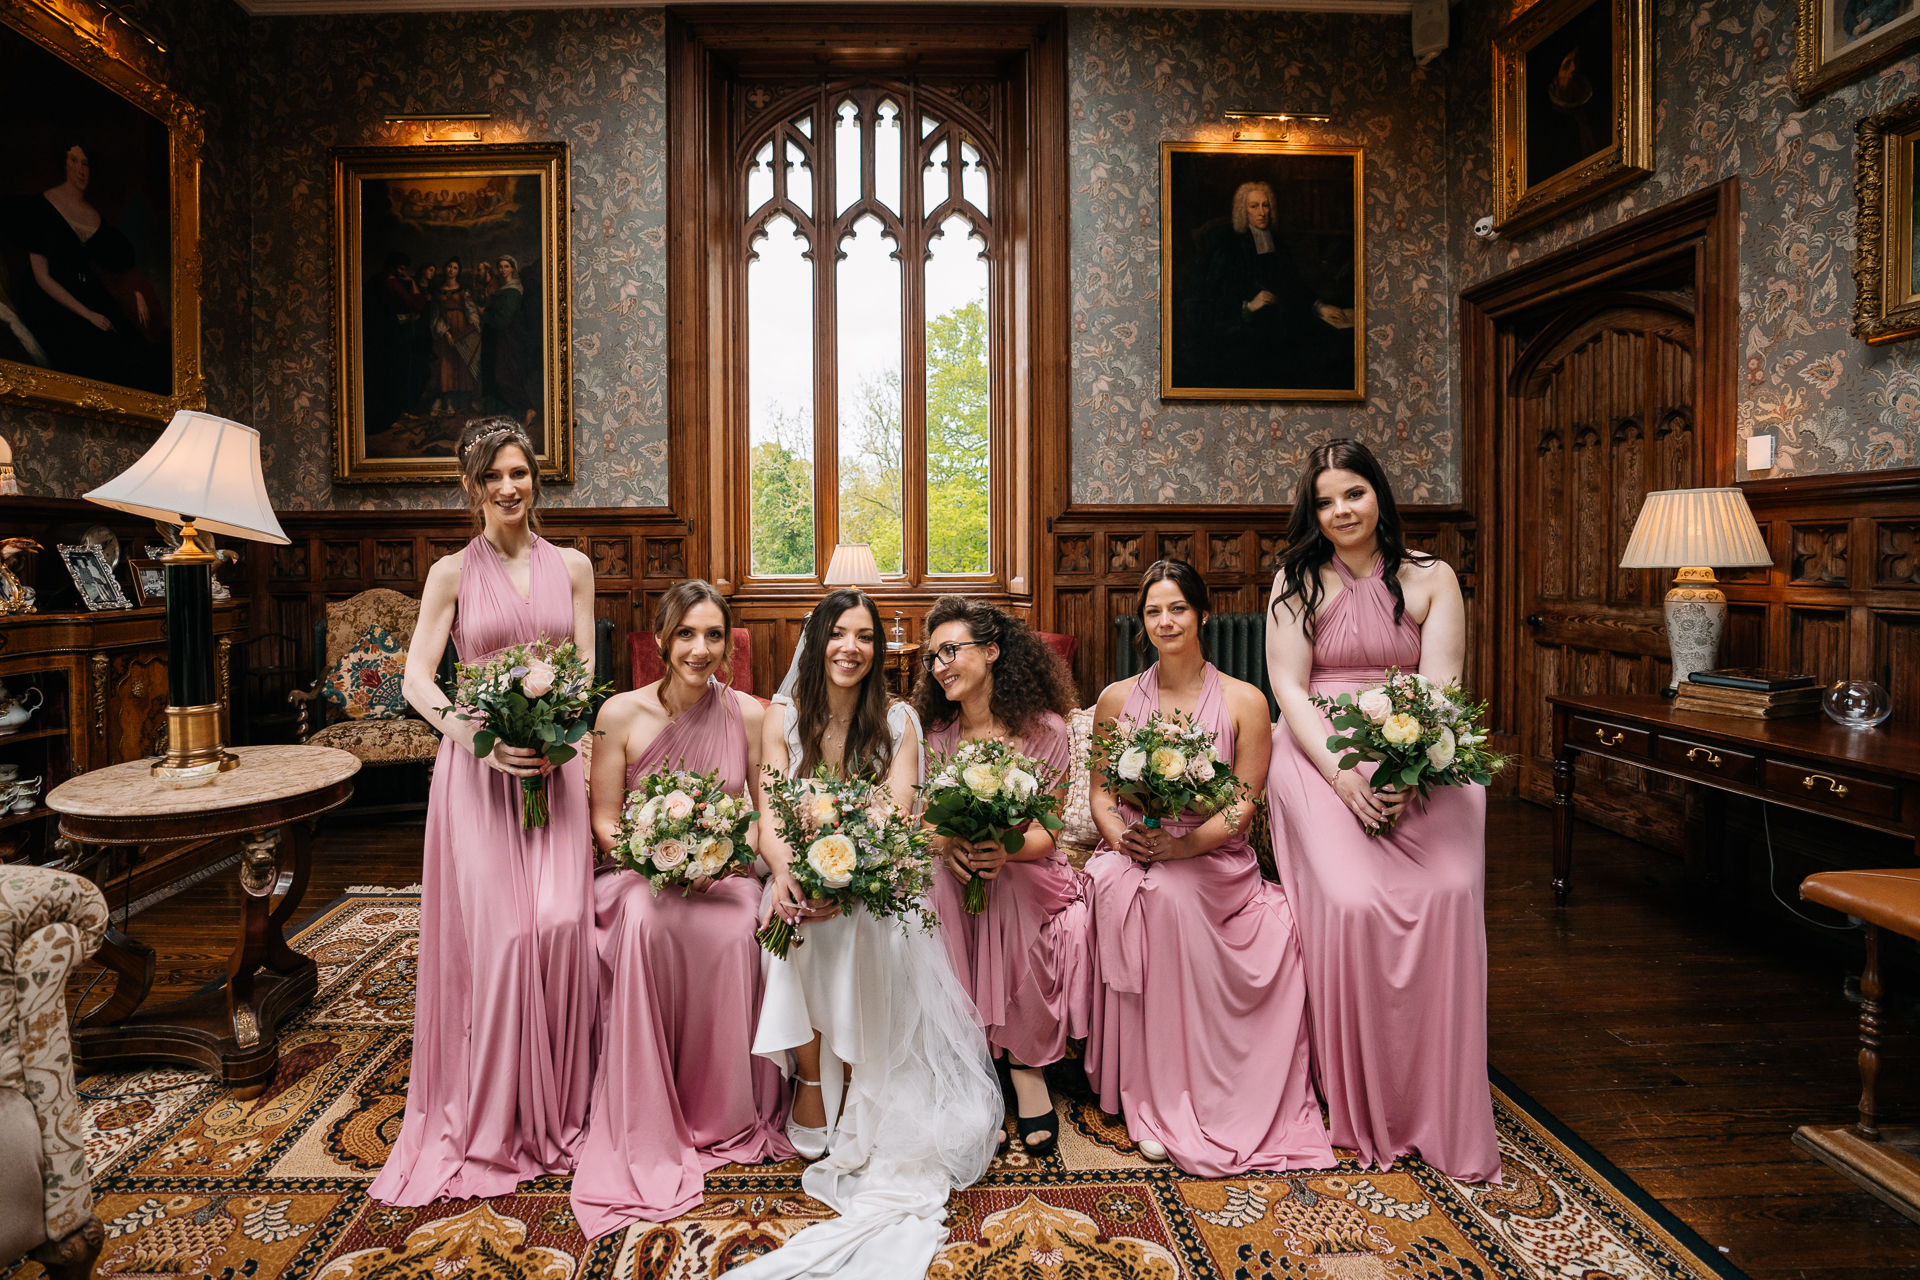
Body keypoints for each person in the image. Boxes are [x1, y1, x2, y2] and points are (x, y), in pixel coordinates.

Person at [735, 588, 1001, 1280]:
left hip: (875, 876)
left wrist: (842, 877)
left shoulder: (901, 719)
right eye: (837, 633)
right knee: (792, 923)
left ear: (876, 649)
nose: (850, 647)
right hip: (800, 868)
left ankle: (856, 1077)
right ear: (817, 639)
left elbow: (897, 812)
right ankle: (815, 1078)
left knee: (856, 926)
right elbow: (767, 813)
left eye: (863, 636)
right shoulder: (781, 716)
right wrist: (792, 876)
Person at [368, 417, 599, 1205]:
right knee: (505, 938)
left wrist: (562, 732)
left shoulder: (574, 567)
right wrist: (476, 738)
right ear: (471, 488)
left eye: (520, 474)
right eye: (493, 477)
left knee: (565, 924)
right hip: (479, 774)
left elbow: (586, 670)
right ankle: (496, 1110)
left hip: (554, 767)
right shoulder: (448, 574)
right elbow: (417, 681)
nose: (509, 488)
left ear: (535, 481)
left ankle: (564, 1104)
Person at [1264, 438, 1501, 1183]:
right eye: (1326, 500)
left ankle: (1441, 1096)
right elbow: (1291, 692)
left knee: (1449, 892)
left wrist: (1402, 764)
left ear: (1379, 496)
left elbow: (1440, 689)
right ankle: (1360, 1097)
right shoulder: (1295, 580)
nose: (1341, 511)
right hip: (1318, 753)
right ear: (1314, 510)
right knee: (1353, 899)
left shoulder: (1433, 578)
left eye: (1354, 494)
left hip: (1419, 752)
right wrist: (1345, 777)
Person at [1083, 559, 1333, 1177]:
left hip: (1213, 855)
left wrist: (1183, 848)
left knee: (1170, 893)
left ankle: (1197, 1093)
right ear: (1142, 622)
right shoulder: (1116, 701)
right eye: (1153, 611)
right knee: (1134, 890)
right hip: (1136, 847)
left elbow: (1243, 803)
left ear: (1201, 616)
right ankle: (1153, 1090)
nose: (1165, 621)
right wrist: (1122, 839)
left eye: (1177, 609)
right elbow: (1098, 794)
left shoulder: (1246, 701)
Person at [569, 581, 793, 1237]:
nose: (701, 649)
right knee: (647, 920)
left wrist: (728, 856)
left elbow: (761, 812)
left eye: (714, 635)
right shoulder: (619, 713)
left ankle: (723, 1112)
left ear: (728, 643)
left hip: (723, 878)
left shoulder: (748, 714)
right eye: (688, 634)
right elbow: (605, 820)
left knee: (738, 929)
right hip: (641, 878)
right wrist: (657, 862)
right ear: (662, 640)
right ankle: (647, 1109)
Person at [914, 596, 1089, 1158]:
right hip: (957, 862)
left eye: (951, 650)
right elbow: (920, 820)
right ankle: (966, 1067)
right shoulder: (932, 733)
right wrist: (947, 844)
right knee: (939, 883)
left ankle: (1024, 1064)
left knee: (1005, 886)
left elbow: (1048, 832)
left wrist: (1002, 851)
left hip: (1027, 869)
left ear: (991, 651)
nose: (940, 665)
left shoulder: (1046, 730)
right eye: (931, 657)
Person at [2, 144, 167, 390]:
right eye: (74, 160)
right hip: (49, 298)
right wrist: (88, 314)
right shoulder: (41, 206)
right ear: (64, 164)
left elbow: (113, 265)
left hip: (85, 289)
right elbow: (42, 278)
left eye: (86, 163)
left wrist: (135, 292)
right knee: (92, 352)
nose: (81, 170)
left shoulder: (93, 216)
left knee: (136, 352)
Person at [1193, 180, 1352, 391]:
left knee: (1334, 343)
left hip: (1284, 319)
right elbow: (1212, 298)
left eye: (1265, 205)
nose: (1262, 212)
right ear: (1244, 211)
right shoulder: (1229, 248)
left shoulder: (1277, 243)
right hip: (1249, 330)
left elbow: (1294, 283)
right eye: (1254, 206)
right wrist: (1247, 306)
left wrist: (1318, 306)